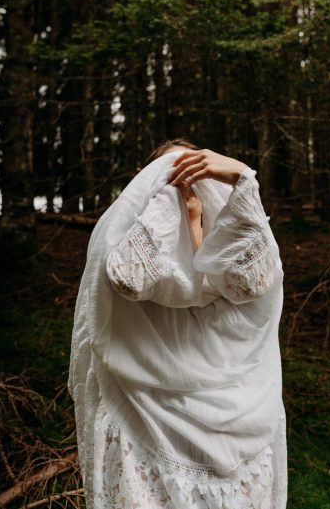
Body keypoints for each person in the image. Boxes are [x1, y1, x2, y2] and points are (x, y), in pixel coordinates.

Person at [68, 138, 288, 509]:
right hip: (148, 421)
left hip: (240, 428)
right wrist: (168, 197)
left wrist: (242, 178)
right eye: (173, 174)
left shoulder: (233, 274)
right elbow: (128, 276)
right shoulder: (135, 265)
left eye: (196, 172)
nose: (187, 182)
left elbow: (258, 280)